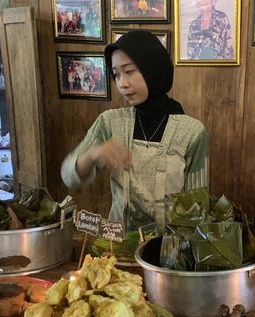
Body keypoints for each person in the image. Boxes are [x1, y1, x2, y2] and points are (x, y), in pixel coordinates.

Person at [61, 31, 209, 231]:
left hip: (168, 251)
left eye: (129, 71)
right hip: (118, 246)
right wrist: (93, 154)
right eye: (116, 74)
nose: (122, 83)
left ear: (153, 69)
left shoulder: (192, 132)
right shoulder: (110, 122)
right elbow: (69, 178)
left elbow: (197, 207)